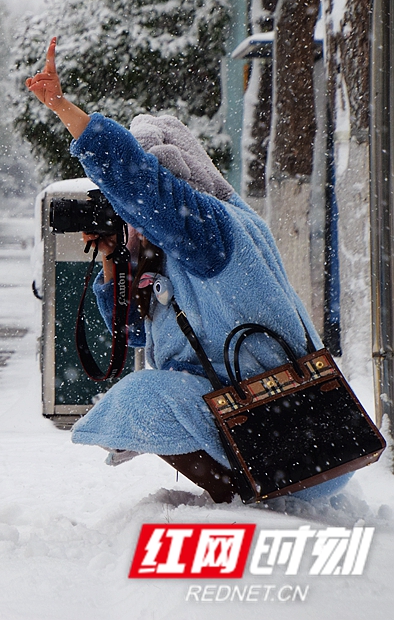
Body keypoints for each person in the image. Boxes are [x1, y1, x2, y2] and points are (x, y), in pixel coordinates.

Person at [26, 37, 346, 503]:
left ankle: (243, 504)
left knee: (139, 401)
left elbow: (138, 183)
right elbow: (133, 333)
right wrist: (116, 261)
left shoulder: (210, 229)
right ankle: (247, 495)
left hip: (290, 427)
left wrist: (63, 109)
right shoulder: (176, 248)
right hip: (286, 425)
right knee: (136, 404)